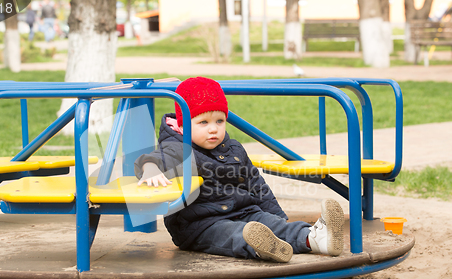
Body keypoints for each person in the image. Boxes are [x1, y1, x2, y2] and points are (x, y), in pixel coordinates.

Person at [134, 77, 344, 263]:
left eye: (219, 121)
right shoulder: (178, 148)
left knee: (273, 224)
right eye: (203, 122)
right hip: (200, 225)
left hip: (245, 212)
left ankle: (316, 239)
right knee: (234, 234)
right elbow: (157, 158)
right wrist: (150, 169)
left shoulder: (233, 148)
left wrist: (278, 216)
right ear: (182, 125)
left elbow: (256, 184)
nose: (213, 128)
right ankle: (262, 248)